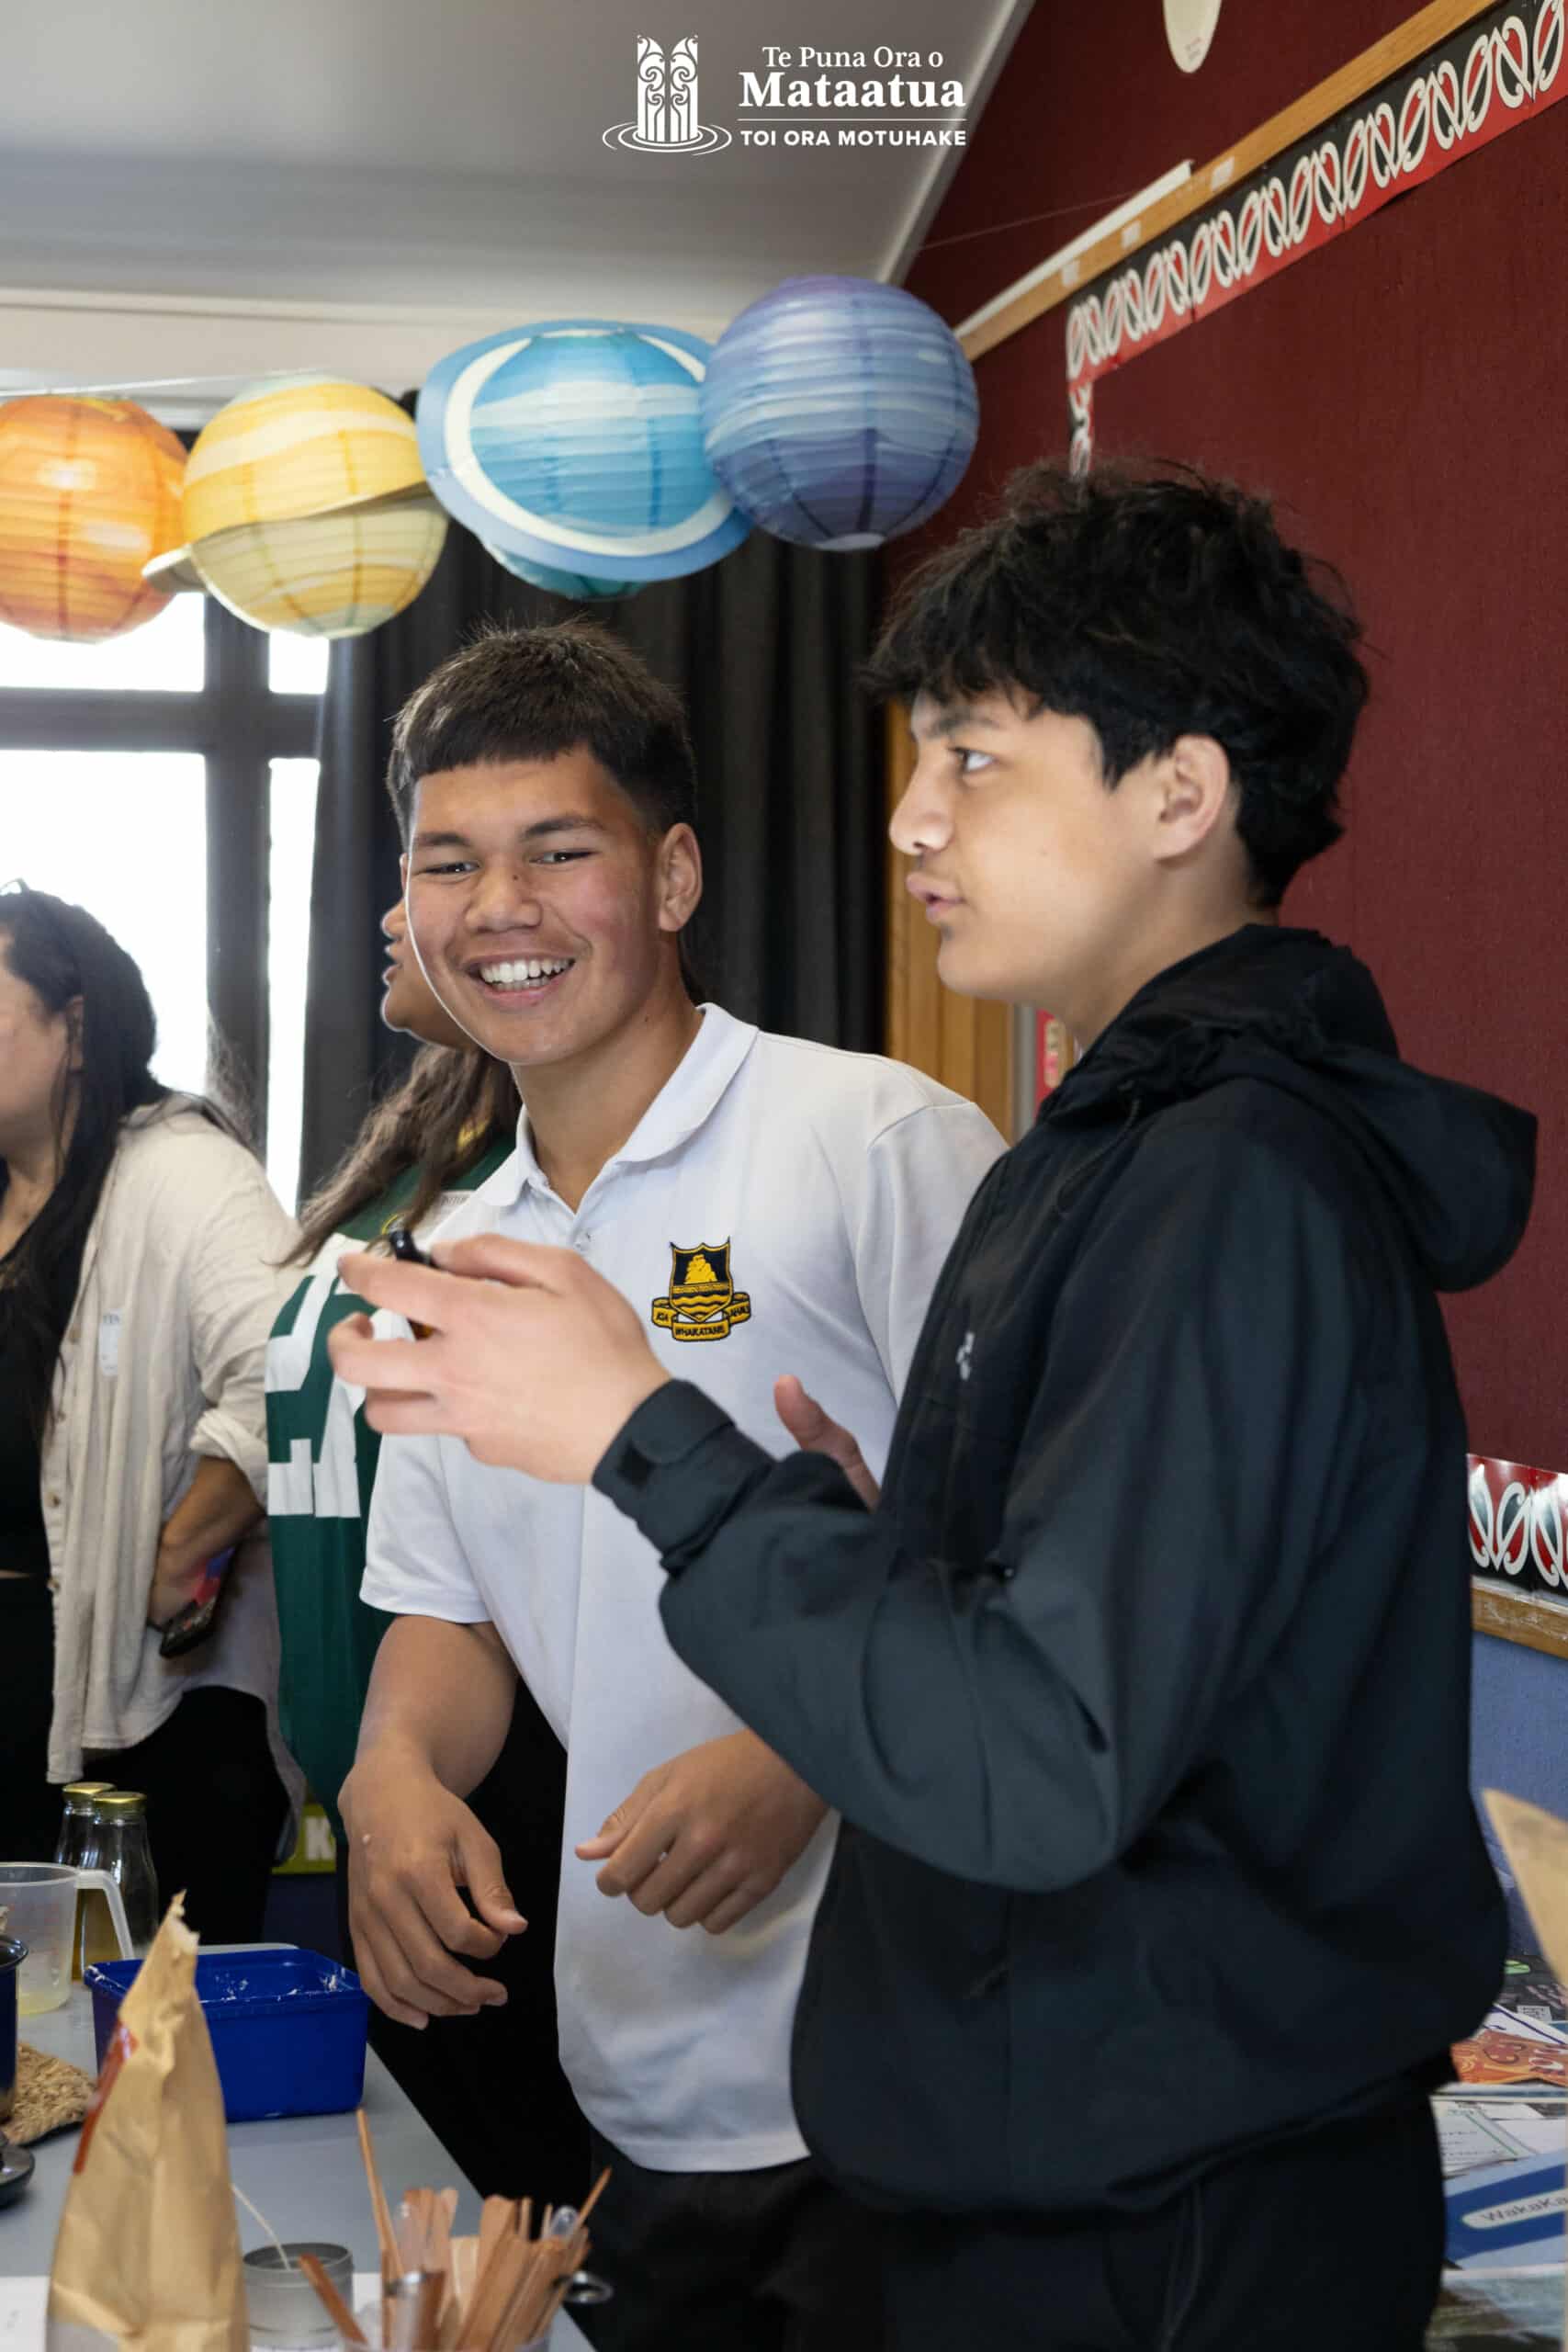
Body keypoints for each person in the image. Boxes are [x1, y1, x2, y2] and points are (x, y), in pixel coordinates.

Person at [333, 467, 1539, 2352]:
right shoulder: (1107, 1152)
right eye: (918, 761)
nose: (907, 819)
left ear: (1177, 792)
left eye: (972, 758)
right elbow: (1029, 1623)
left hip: (1158, 2192)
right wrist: (867, 1533)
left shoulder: (1220, 1182)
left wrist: (649, 1435)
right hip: (980, 2126)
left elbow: (1040, 1747)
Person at [331, 621, 1003, 2349]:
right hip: (628, 2053)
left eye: (561, 850)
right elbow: (452, 1604)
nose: (502, 908)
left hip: (917, 2056)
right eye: (448, 863)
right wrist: (393, 1775)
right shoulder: (457, 1247)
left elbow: (1032, 1565)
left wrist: (805, 1748)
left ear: (676, 869)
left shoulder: (874, 1143)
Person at [265, 892, 587, 2198]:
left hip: (516, 1789)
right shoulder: (436, 1169)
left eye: (449, 869)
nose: (396, 910)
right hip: (389, 1759)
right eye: (414, 863)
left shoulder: (553, 1196)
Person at [0, 883, 297, 1937]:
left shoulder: (183, 1172)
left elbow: (288, 1368)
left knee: (150, 2063)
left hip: (151, 1723)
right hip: (12, 1700)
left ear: (73, 1028)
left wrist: (177, 1549)